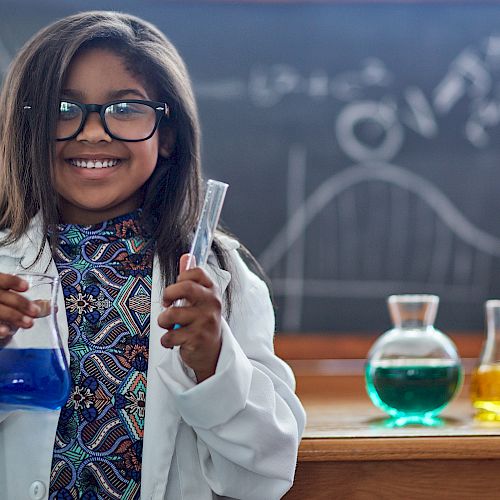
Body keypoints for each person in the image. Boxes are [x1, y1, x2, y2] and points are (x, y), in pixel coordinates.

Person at [0, 10, 305, 500]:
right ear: (26, 127)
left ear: (166, 136)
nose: (94, 132)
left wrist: (214, 364)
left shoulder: (220, 275)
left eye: (125, 109)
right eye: (62, 108)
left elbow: (264, 476)